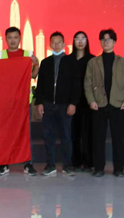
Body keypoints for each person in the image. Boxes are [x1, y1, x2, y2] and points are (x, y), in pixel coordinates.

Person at [84, 29, 124, 177]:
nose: (106, 42)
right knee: (98, 139)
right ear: (100, 42)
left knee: (118, 139)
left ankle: (119, 168)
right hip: (99, 104)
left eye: (109, 39)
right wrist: (91, 100)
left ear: (114, 42)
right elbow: (87, 84)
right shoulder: (93, 62)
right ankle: (99, 168)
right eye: (103, 39)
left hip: (117, 104)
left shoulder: (123, 62)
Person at [0, 26, 40, 176]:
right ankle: (4, 164)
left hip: (24, 101)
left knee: (26, 133)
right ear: (6, 39)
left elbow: (33, 75)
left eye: (15, 37)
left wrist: (36, 64)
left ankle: (28, 164)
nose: (13, 40)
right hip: (5, 101)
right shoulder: (0, 55)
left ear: (20, 39)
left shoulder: (28, 54)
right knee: (5, 133)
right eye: (10, 38)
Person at [34, 32, 80, 177]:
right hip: (48, 105)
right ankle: (50, 165)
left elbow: (76, 84)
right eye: (53, 42)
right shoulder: (45, 62)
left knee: (66, 136)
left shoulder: (71, 61)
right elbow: (40, 84)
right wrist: (39, 102)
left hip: (64, 105)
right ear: (50, 45)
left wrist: (73, 103)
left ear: (64, 44)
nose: (56, 45)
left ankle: (67, 165)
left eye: (59, 42)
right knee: (48, 136)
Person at [69, 31, 95, 172]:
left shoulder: (93, 60)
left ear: (87, 41)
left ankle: (89, 162)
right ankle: (76, 161)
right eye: (77, 39)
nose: (80, 41)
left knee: (89, 132)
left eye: (83, 38)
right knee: (74, 132)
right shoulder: (68, 60)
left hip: (88, 101)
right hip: (72, 102)